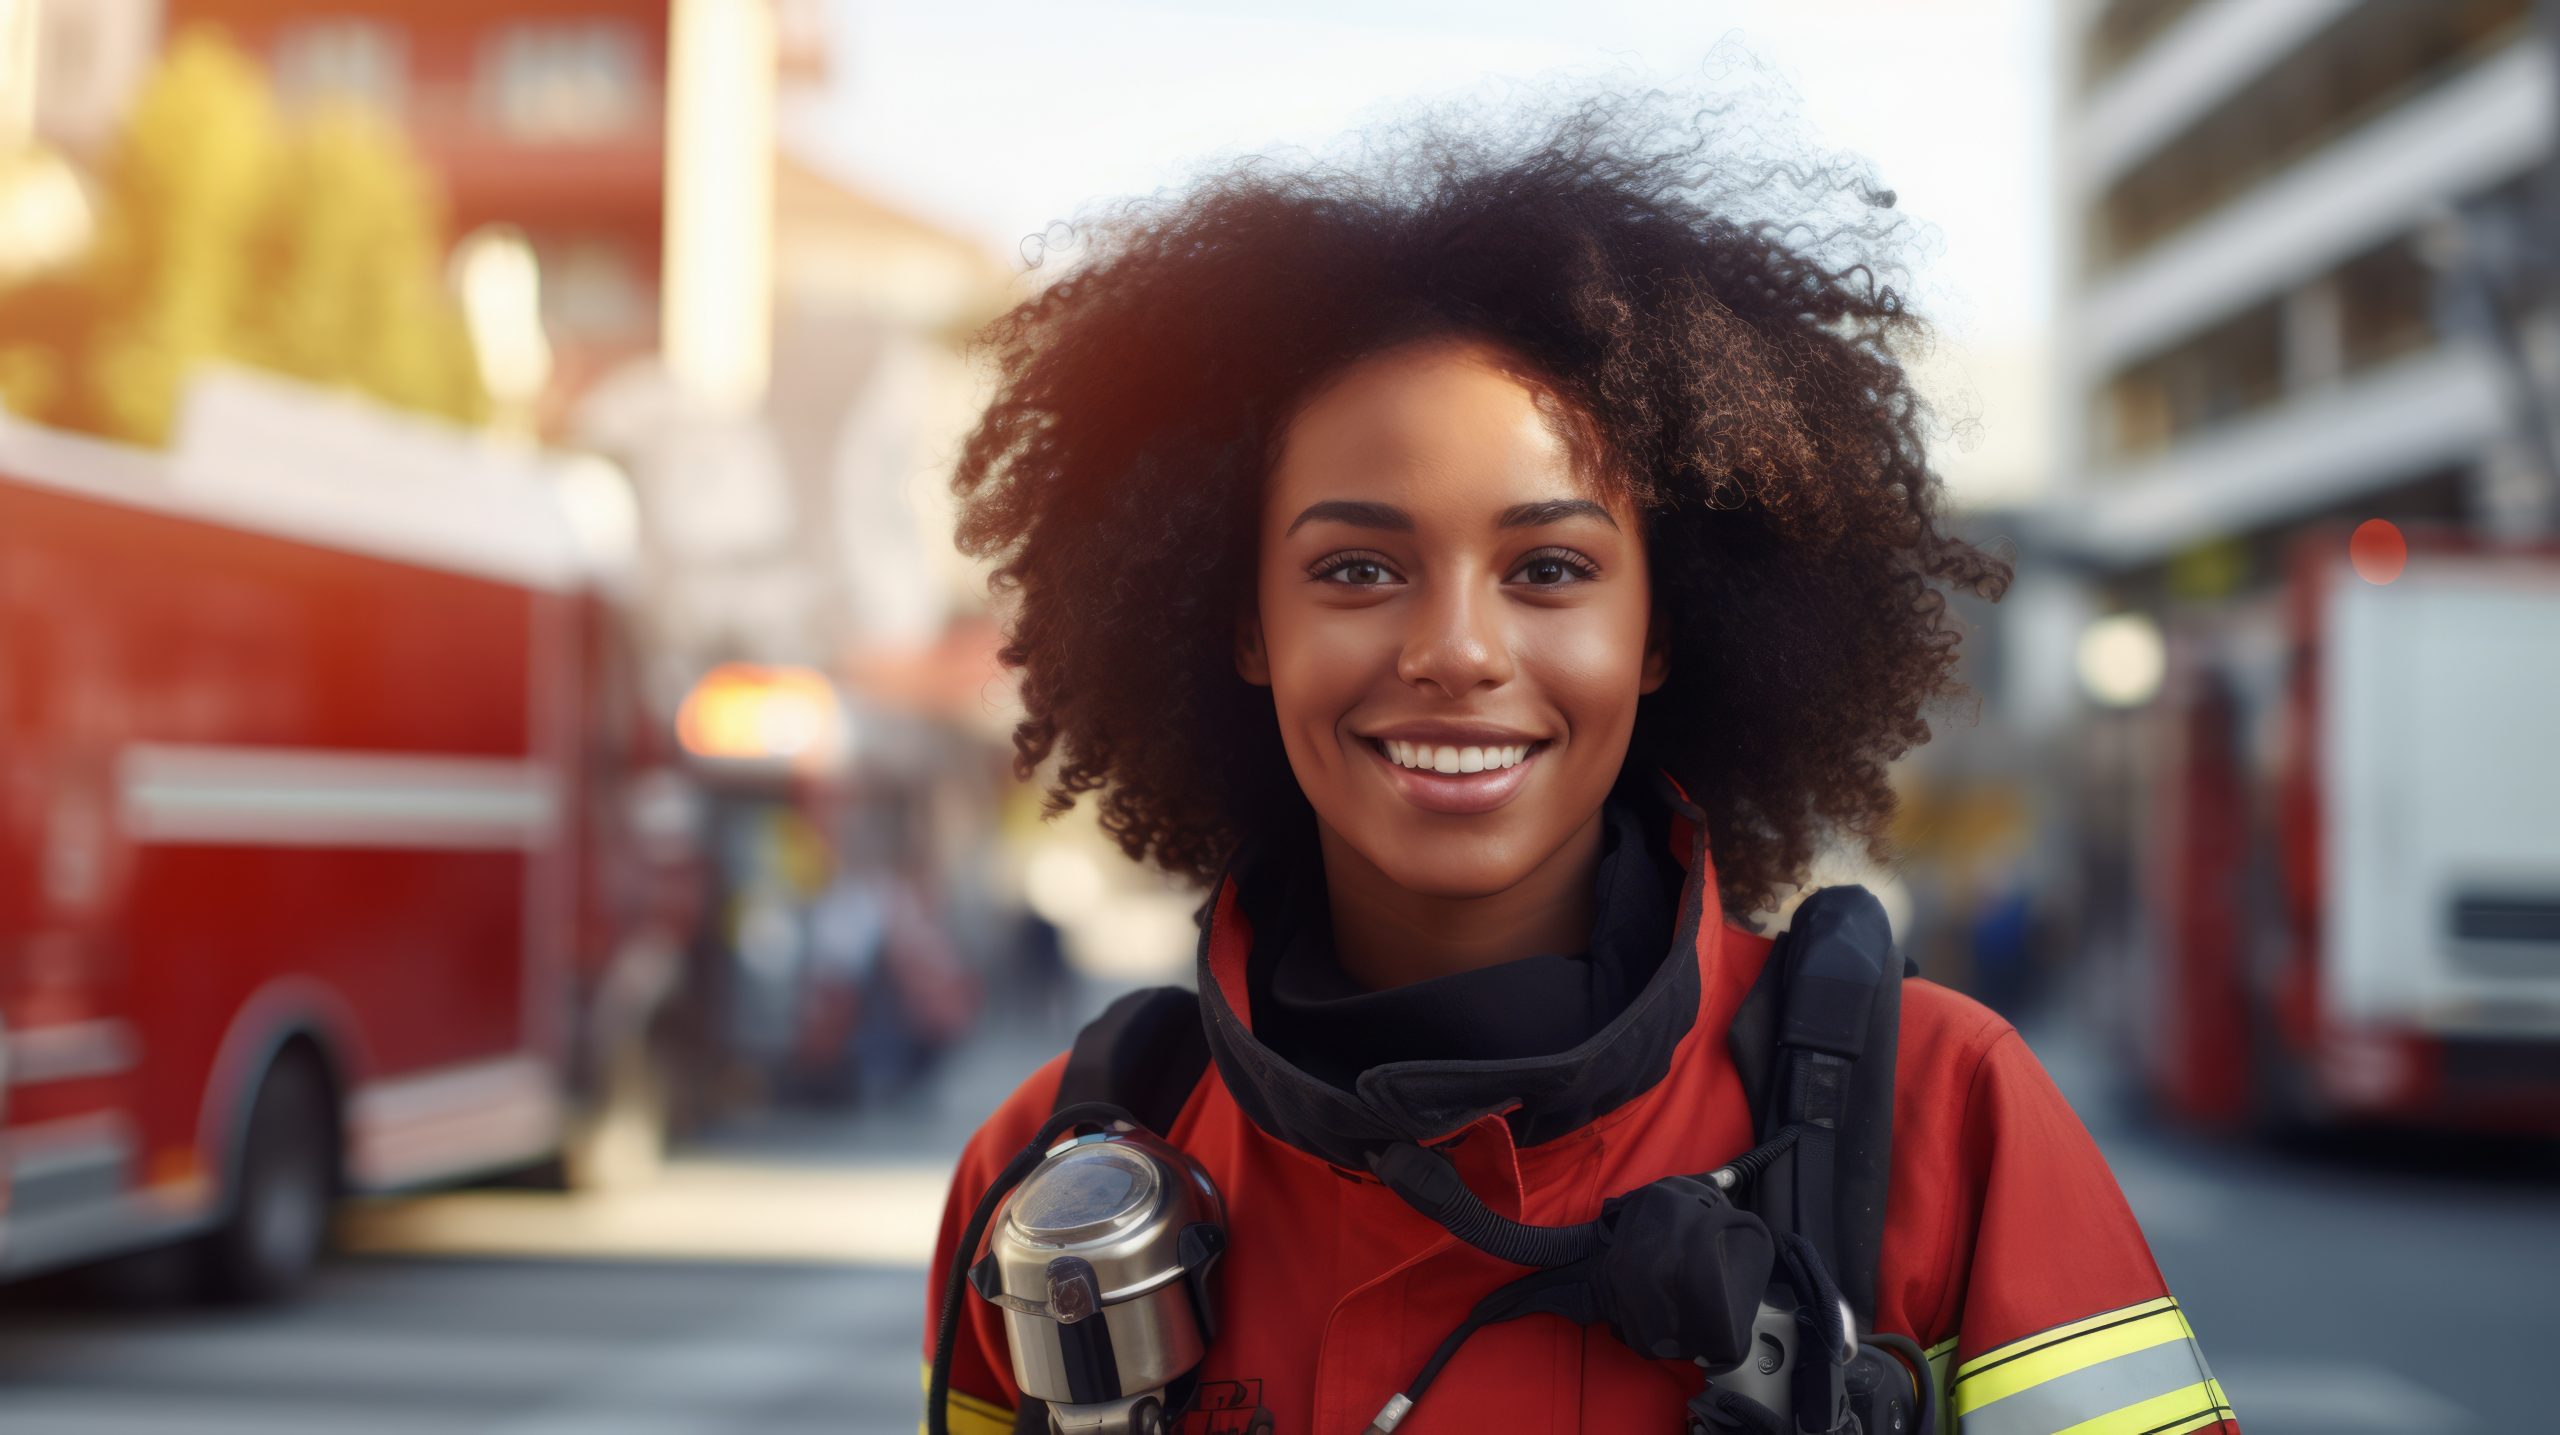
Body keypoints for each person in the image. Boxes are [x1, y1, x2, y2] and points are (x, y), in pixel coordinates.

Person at [924, 92, 2237, 1435]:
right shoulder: (1050, 1190)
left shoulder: (1944, 1122)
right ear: (1244, 621)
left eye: (1550, 569)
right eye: (1357, 568)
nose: (1457, 649)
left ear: (1663, 628)